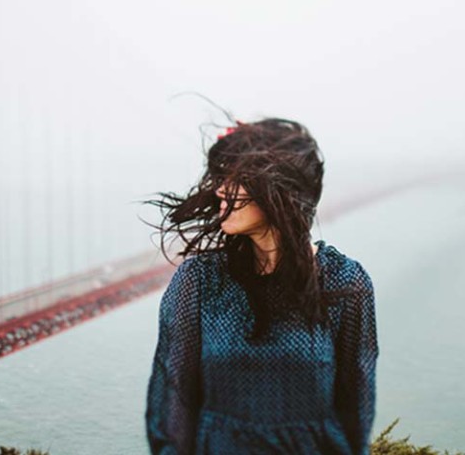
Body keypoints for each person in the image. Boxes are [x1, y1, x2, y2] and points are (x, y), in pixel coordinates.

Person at [145, 117, 378, 455]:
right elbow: (173, 399)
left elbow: (356, 408)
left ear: (279, 191)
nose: (220, 190)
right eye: (220, 177)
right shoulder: (198, 281)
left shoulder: (345, 282)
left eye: (235, 179)